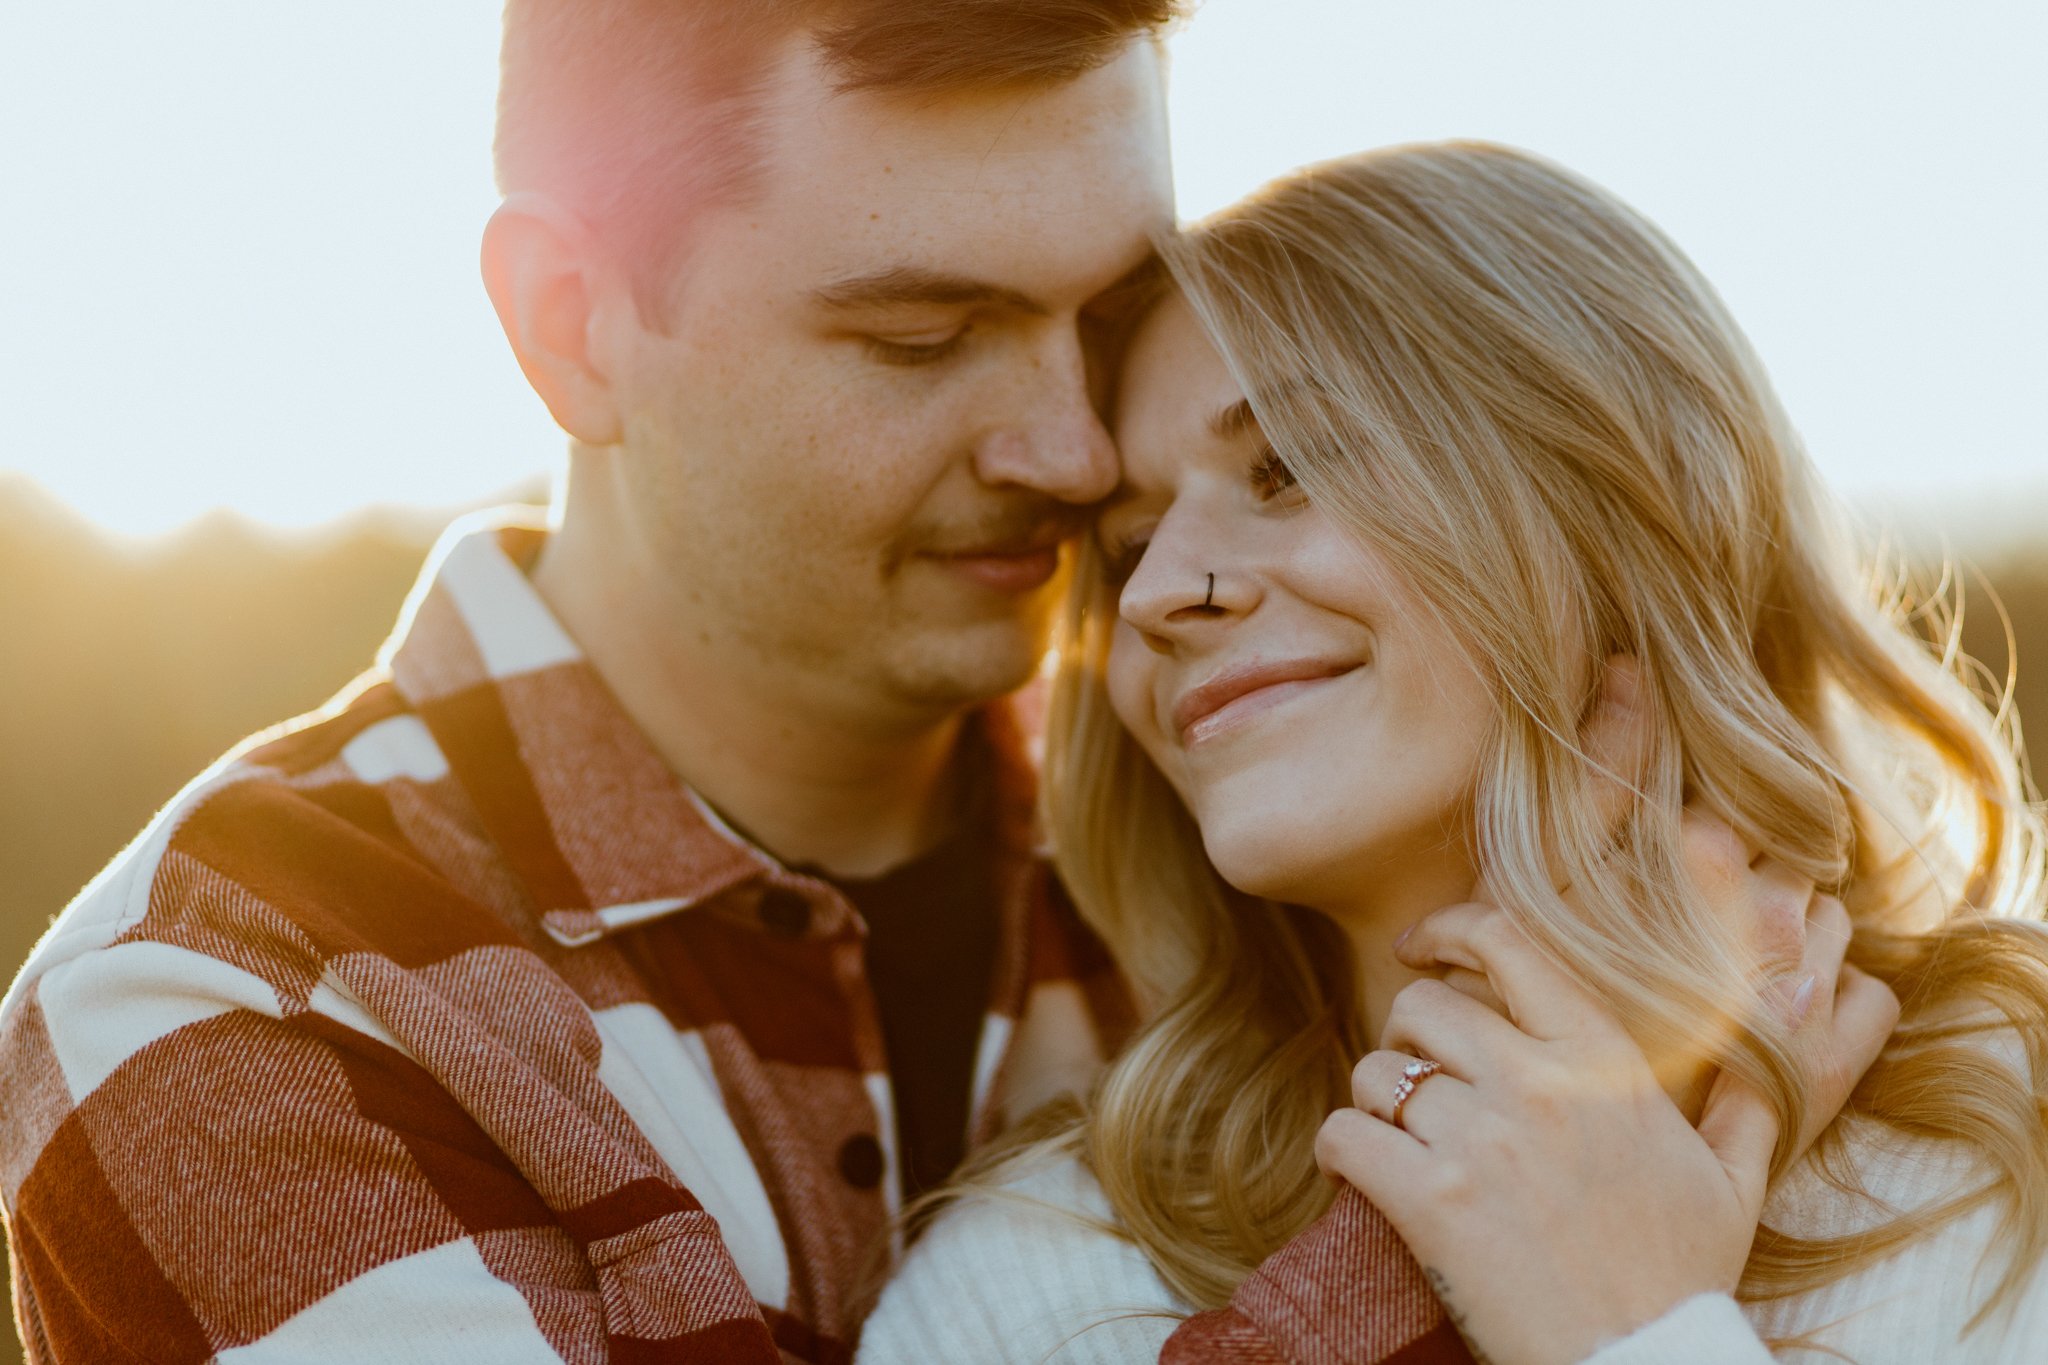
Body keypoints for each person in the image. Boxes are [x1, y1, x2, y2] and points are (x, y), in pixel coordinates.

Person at [0, 2, 1877, 1358]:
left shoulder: (1267, 826)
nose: (1076, 457)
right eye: (924, 336)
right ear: (573, 328)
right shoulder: (228, 1013)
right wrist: (1479, 1162)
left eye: (1101, 317)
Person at [859, 143, 2048, 1363]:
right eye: (1124, 546)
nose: (1162, 591)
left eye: (1287, 468)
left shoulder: (2012, 1135)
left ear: (1607, 500)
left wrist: (1624, 1326)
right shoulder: (1026, 1280)